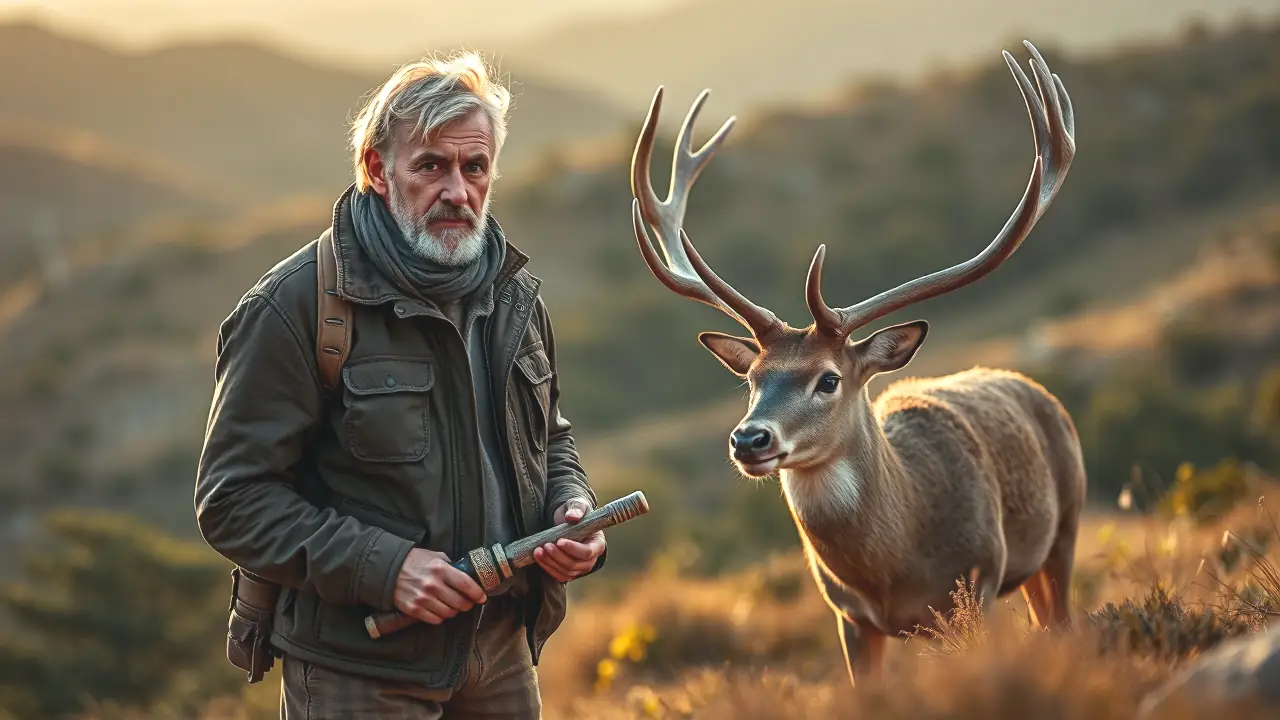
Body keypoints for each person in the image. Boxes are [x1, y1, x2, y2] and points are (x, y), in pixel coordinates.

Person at [194, 50, 607, 719]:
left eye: (475, 167)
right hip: (359, 670)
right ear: (377, 171)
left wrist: (571, 508)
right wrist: (386, 568)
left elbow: (549, 436)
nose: (458, 191)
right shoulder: (296, 307)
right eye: (432, 166)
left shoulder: (513, 297)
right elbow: (232, 500)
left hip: (501, 653)